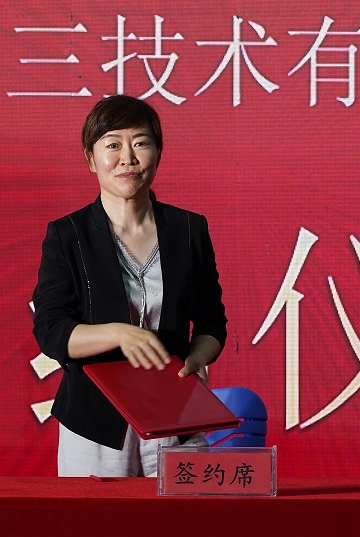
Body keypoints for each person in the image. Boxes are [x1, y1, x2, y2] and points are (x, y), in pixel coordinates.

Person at [32, 95, 228, 477]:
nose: (128, 158)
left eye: (140, 143)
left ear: (158, 153)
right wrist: (119, 334)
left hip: (177, 414)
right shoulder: (68, 235)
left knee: (189, 512)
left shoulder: (189, 229)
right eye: (112, 145)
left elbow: (211, 320)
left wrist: (198, 358)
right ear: (91, 159)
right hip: (96, 425)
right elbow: (52, 331)